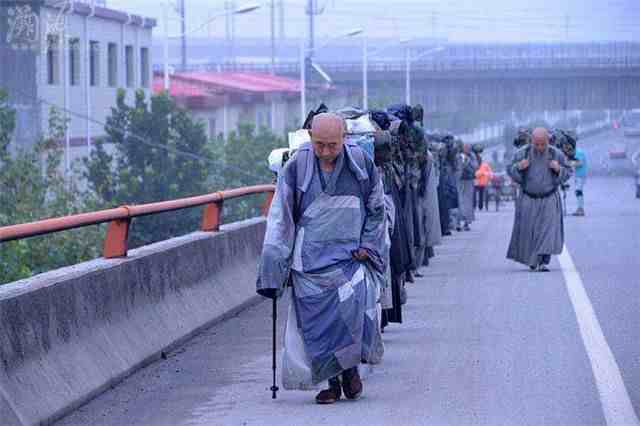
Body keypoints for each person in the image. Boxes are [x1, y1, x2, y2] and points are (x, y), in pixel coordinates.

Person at [256, 113, 386, 404]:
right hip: (309, 260)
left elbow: (377, 208)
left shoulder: (361, 165)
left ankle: (349, 370)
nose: (326, 152)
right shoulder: (297, 166)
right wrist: (274, 258)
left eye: (332, 145)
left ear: (344, 140)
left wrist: (368, 245)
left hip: (351, 257)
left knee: (350, 318)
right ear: (311, 139)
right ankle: (331, 383)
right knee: (317, 325)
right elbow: (281, 216)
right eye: (319, 145)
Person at [506, 127, 572, 272]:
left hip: (549, 198)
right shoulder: (522, 153)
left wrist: (558, 169)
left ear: (548, 141)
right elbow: (510, 169)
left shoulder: (556, 154)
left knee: (547, 231)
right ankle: (532, 260)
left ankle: (542, 261)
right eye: (537, 144)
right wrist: (519, 167)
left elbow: (568, 172)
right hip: (528, 198)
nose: (540, 147)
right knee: (529, 231)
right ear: (531, 141)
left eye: (543, 144)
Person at [456, 144, 479, 231]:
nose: (467, 149)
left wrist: (468, 161)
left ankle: (466, 223)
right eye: (465, 148)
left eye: (468, 148)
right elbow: (457, 167)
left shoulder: (472, 156)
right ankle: (458, 222)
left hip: (469, 180)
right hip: (460, 180)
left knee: (468, 202)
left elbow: (476, 166)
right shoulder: (458, 155)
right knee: (459, 200)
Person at [570, 147, 588, 216]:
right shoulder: (577, 152)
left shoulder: (578, 152)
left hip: (581, 175)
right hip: (579, 175)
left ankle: (580, 209)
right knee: (577, 191)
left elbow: (580, 163)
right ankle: (579, 208)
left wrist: (569, 163)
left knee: (578, 191)